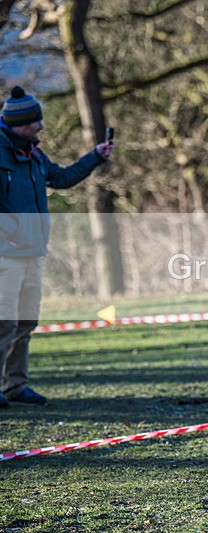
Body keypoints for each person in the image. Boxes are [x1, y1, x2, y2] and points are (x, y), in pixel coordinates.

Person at [0, 86, 114, 407]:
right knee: (4, 322)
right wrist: (12, 232)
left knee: (25, 322)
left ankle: (15, 386)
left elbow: (61, 178)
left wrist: (95, 157)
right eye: (35, 122)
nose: (41, 127)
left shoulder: (34, 153)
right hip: (5, 253)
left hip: (33, 252)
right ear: (18, 123)